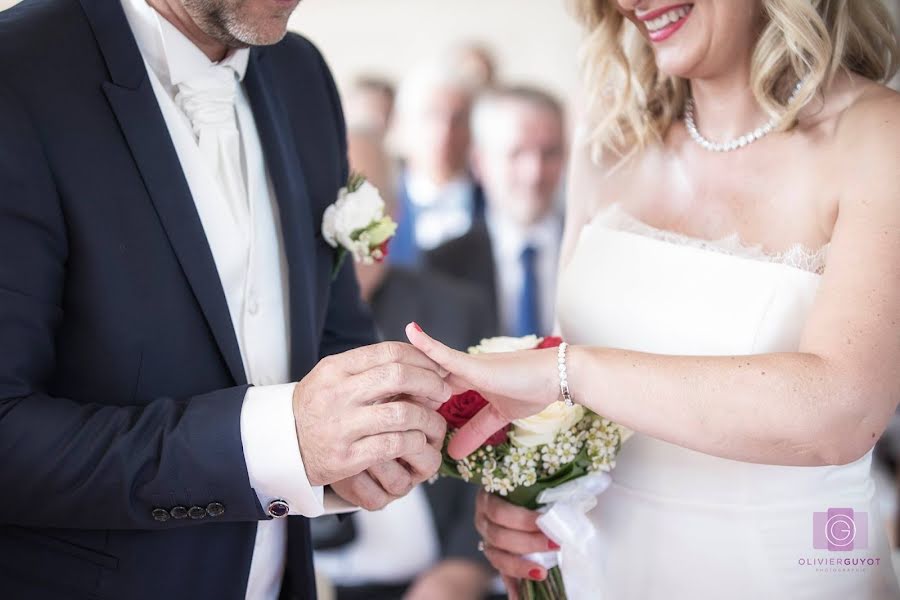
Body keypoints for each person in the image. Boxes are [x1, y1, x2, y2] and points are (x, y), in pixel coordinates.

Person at [406, 1, 900, 598]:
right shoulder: (607, 133)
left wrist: (572, 372)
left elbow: (842, 415)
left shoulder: (878, 136)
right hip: (598, 574)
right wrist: (527, 504)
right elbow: (568, 407)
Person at [0, 1, 450, 599]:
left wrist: (374, 440)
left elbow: (330, 333)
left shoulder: (302, 74)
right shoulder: (18, 74)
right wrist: (276, 444)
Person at [312, 126, 496, 600]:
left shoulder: (455, 309)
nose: (345, 234)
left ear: (393, 217)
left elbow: (497, 453)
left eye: (364, 210)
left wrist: (462, 567)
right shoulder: (263, 325)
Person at [427, 86, 567, 338]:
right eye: (516, 153)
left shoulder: (594, 254)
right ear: (480, 163)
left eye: (550, 153)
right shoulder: (442, 267)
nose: (534, 172)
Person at [389, 56, 485, 266]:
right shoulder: (377, 209)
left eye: (458, 118)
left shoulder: (494, 205)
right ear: (402, 124)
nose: (444, 132)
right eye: (431, 115)